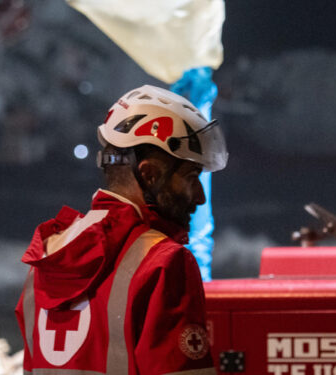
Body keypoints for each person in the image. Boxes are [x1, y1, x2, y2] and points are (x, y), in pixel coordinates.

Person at [15, 84, 227, 375]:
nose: (200, 196)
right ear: (150, 175)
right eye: (191, 177)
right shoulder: (164, 263)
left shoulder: (46, 259)